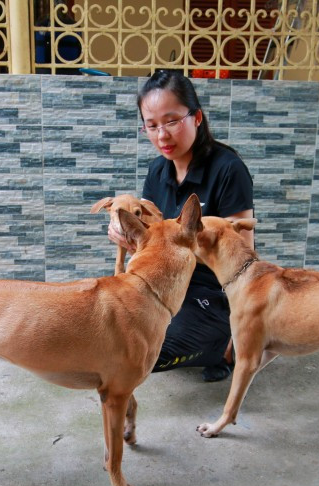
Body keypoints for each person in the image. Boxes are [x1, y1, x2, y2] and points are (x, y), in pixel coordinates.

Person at [109, 70, 255, 382]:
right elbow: (149, 240)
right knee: (112, 333)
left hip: (210, 294)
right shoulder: (157, 170)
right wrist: (126, 234)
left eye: (172, 121)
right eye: (152, 125)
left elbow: (244, 258)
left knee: (147, 353)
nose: (162, 135)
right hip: (164, 285)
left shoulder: (228, 170)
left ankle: (227, 345)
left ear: (196, 118)